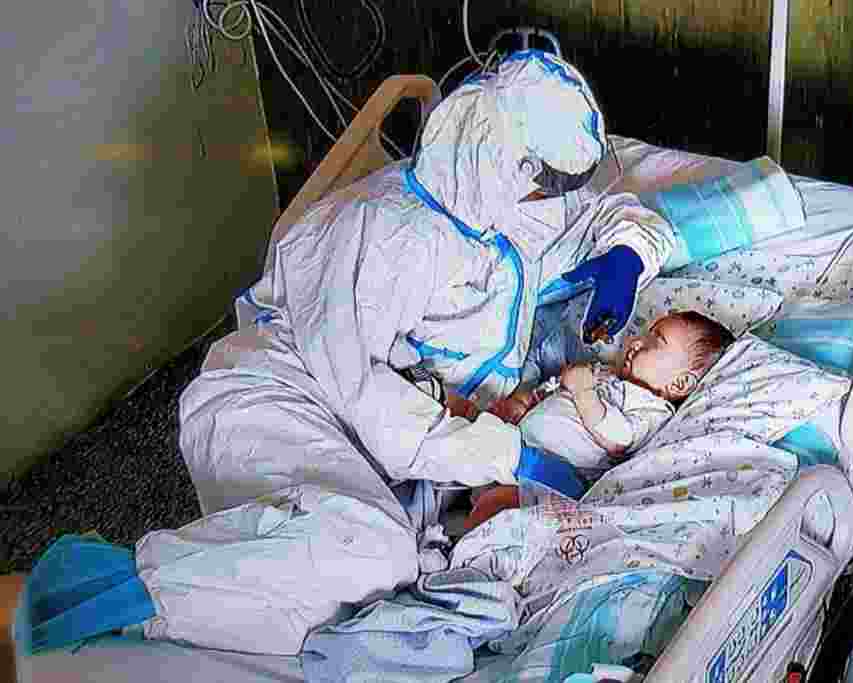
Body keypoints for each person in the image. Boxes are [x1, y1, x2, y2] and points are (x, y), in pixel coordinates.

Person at [96, 49, 680, 655]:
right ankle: (93, 592)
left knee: (376, 587)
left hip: (393, 432)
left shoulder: (509, 212)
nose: (555, 200)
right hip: (279, 397)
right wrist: (512, 456)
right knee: (371, 558)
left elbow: (620, 217)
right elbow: (371, 400)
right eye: (549, 183)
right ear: (511, 161)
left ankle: (169, 594)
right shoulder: (382, 237)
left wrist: (626, 260)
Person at [466, 311, 734, 530]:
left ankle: (461, 552)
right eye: (645, 333)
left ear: (680, 383)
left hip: (552, 472)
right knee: (462, 426)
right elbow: (555, 389)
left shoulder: (654, 410)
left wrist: (584, 392)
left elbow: (619, 438)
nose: (637, 341)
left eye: (655, 341)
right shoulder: (607, 373)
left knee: (497, 503)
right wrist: (525, 401)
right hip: (516, 443)